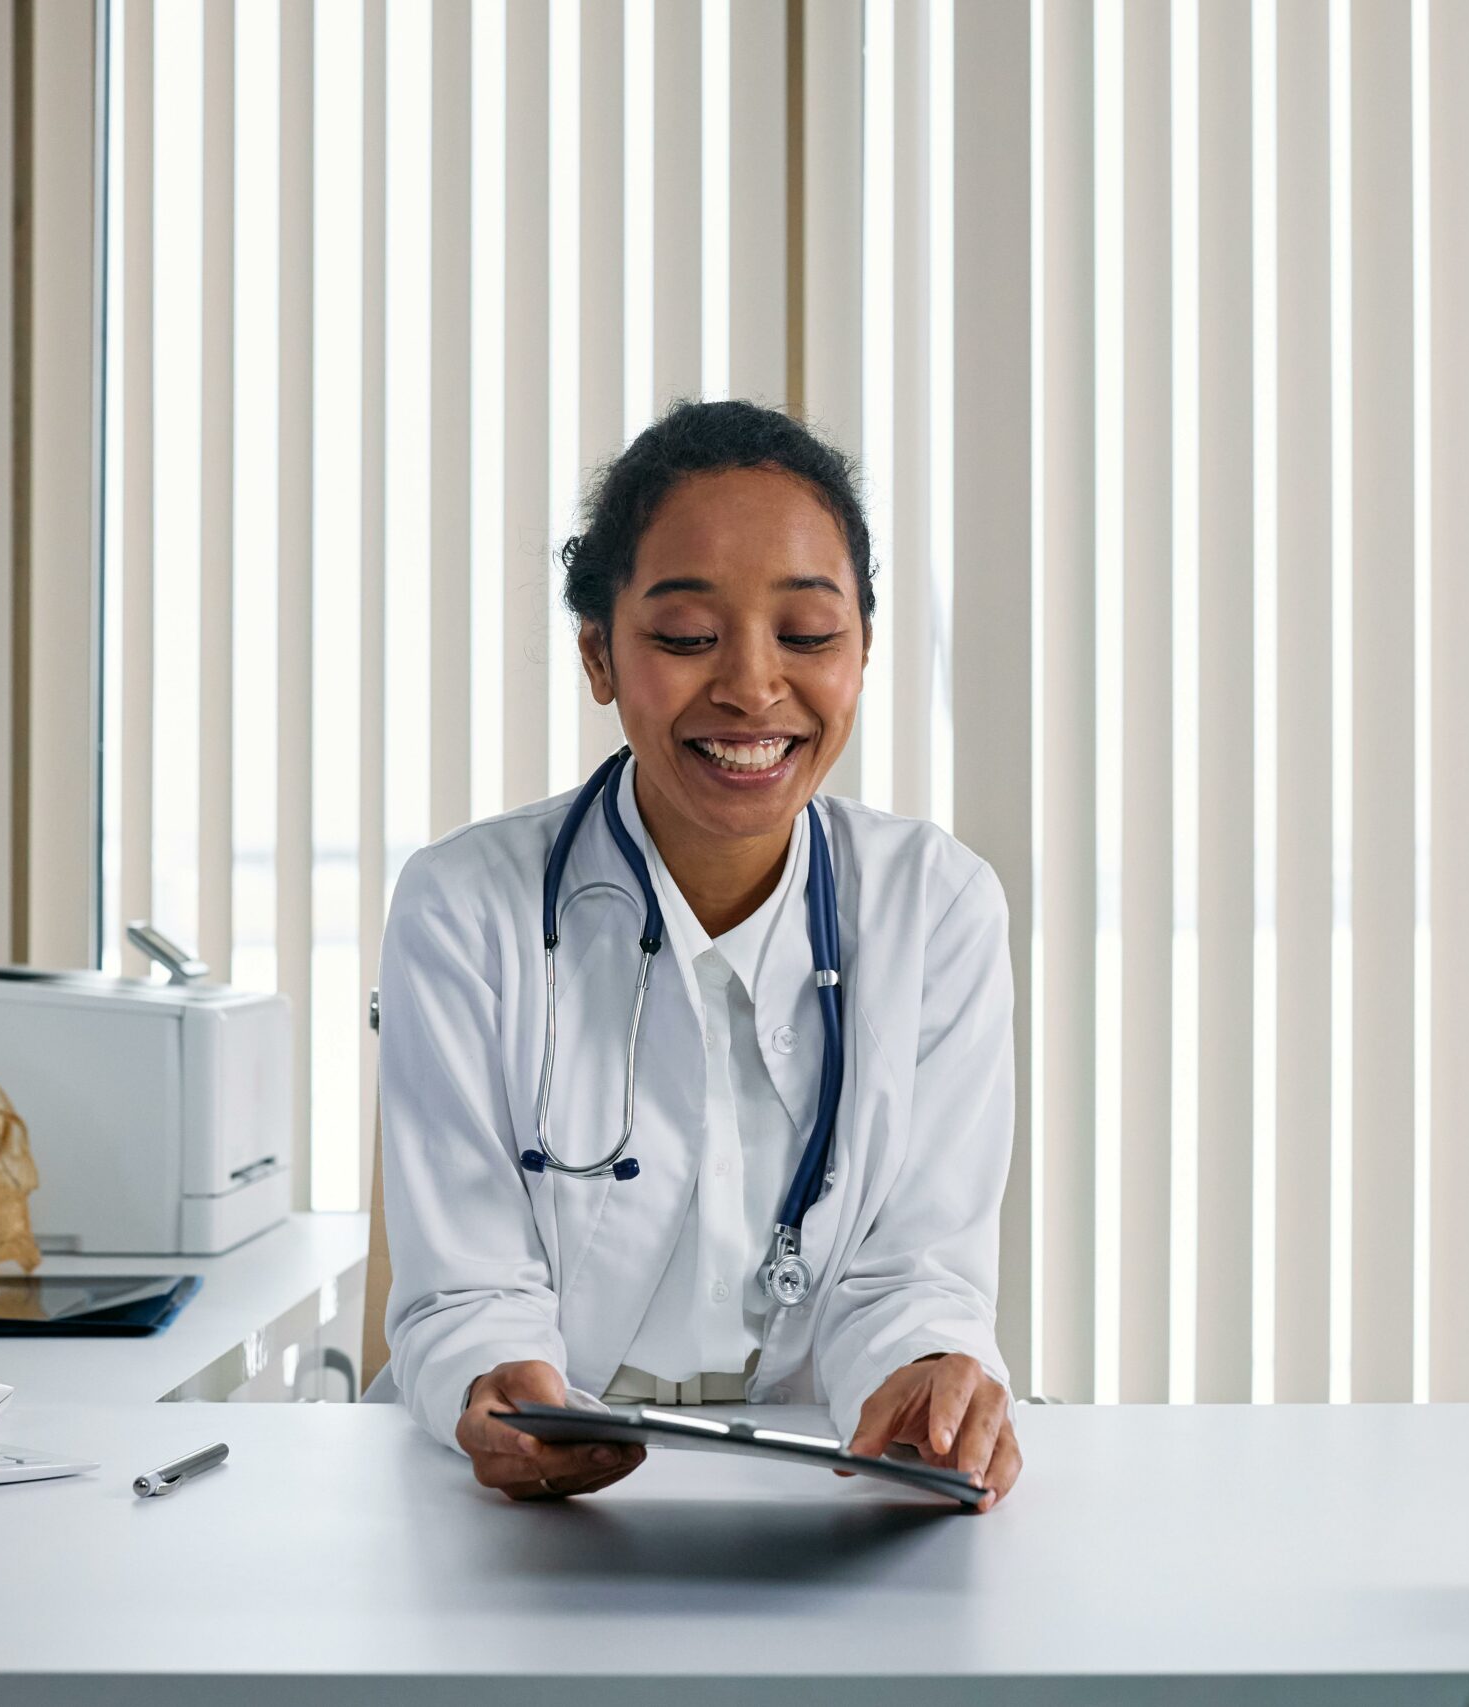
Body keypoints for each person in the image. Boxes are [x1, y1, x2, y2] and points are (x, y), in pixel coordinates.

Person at [376, 399, 1023, 1508]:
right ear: (599, 655)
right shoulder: (463, 906)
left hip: (826, 1488)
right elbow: (465, 1287)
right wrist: (501, 1387)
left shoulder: (937, 906)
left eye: (809, 635)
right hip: (523, 1514)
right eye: (684, 638)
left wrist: (927, 1375)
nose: (751, 686)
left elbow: (915, 1271)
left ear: (862, 652)